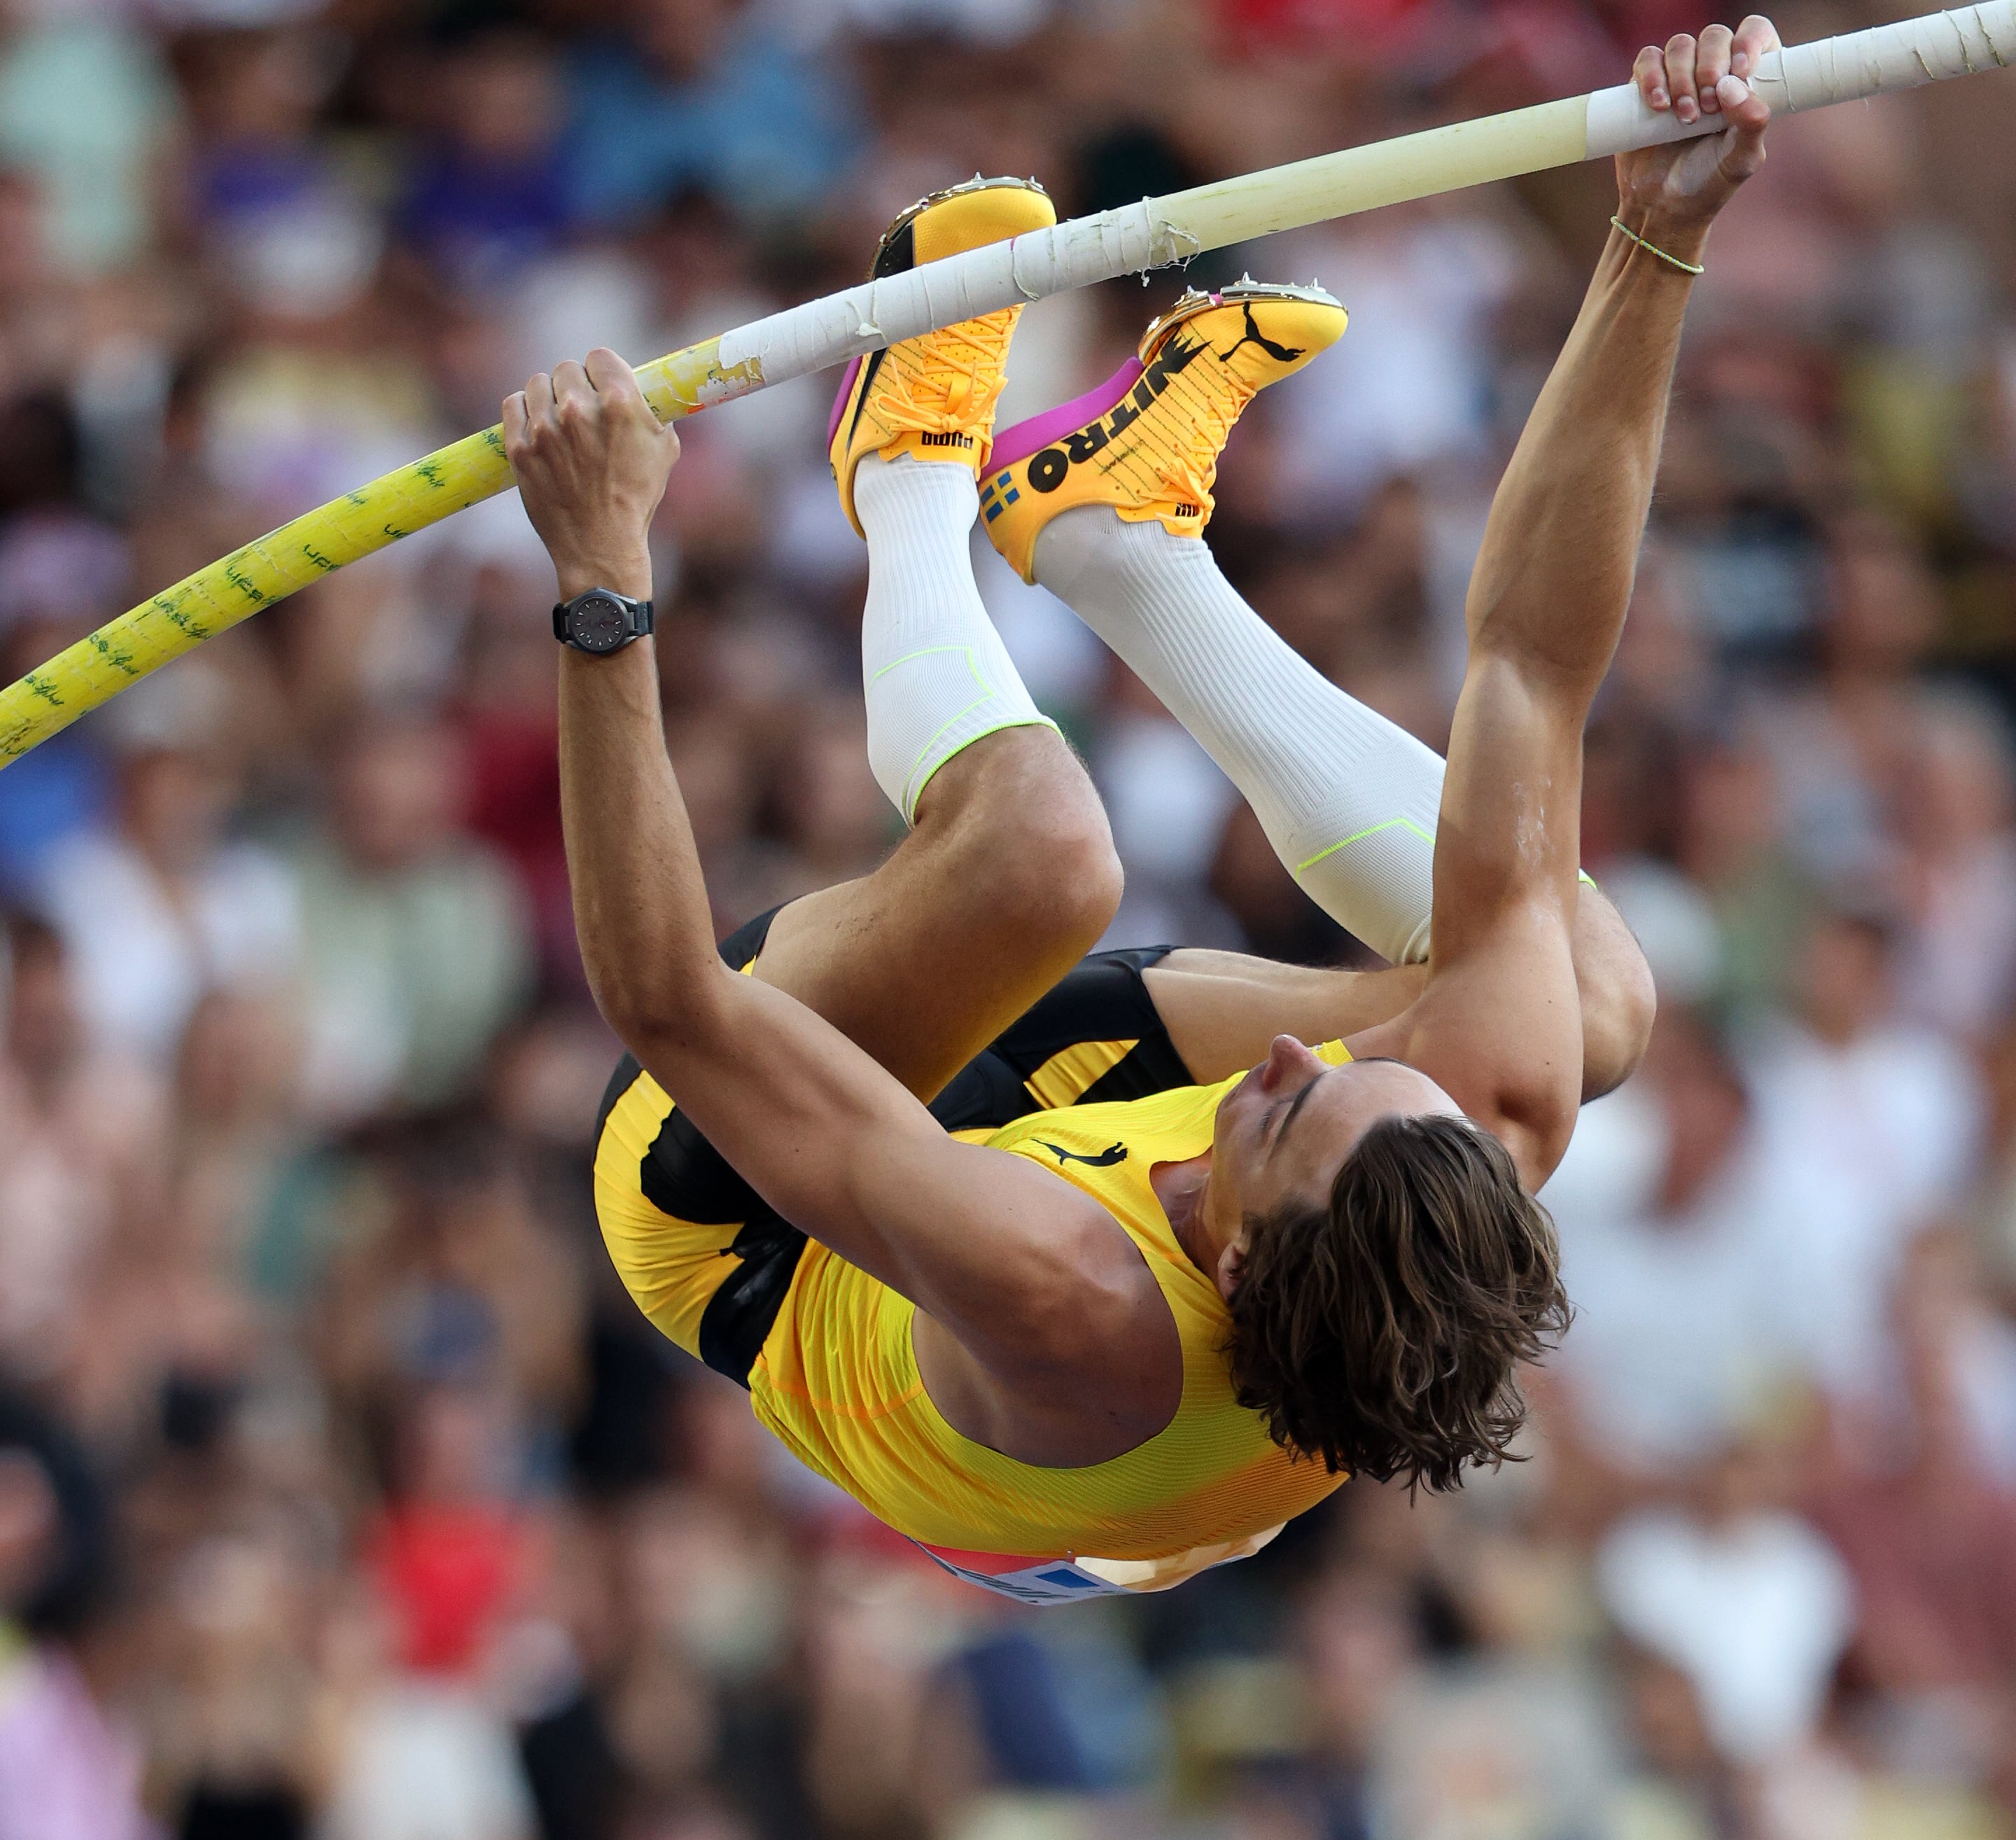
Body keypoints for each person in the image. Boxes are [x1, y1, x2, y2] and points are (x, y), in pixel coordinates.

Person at [522, 23, 1777, 1602]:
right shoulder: (1452, 1151)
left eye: (1292, 1102)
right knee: (1580, 999)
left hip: (761, 1228)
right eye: (1370, 1085)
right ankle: (1118, 544)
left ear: (1240, 1258)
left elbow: (662, 1000)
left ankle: (902, 468)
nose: (1294, 1056)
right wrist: (1656, 237)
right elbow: (1530, 669)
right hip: (1124, 1334)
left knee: (1044, 857)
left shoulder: (1066, 1294)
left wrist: (600, 581)